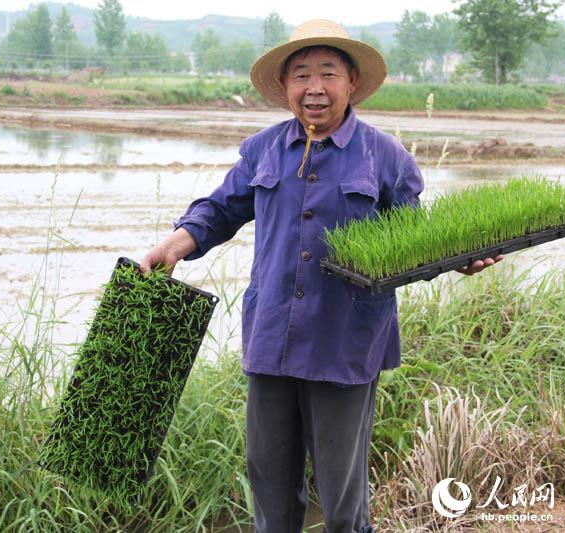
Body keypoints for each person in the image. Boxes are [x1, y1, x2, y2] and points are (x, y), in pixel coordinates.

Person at [140, 19, 501, 533]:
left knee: (341, 496)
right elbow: (220, 209)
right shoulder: (262, 149)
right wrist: (172, 246)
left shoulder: (385, 155)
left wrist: (459, 257)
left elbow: (414, 242)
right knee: (269, 482)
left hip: (345, 343)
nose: (314, 87)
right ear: (285, 87)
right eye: (301, 75)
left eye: (327, 73)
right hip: (272, 337)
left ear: (351, 81)